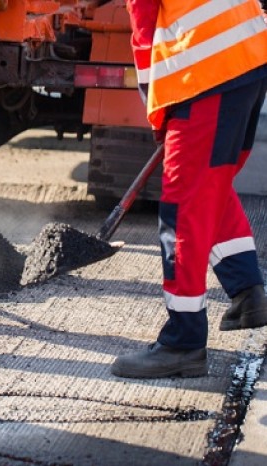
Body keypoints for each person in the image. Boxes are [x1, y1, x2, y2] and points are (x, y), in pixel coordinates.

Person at [112, 0, 267, 378]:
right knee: (208, 189)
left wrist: (155, 106)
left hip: (206, 71)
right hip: (245, 59)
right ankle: (248, 292)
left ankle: (183, 342)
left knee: (182, 210)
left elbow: (143, 25)